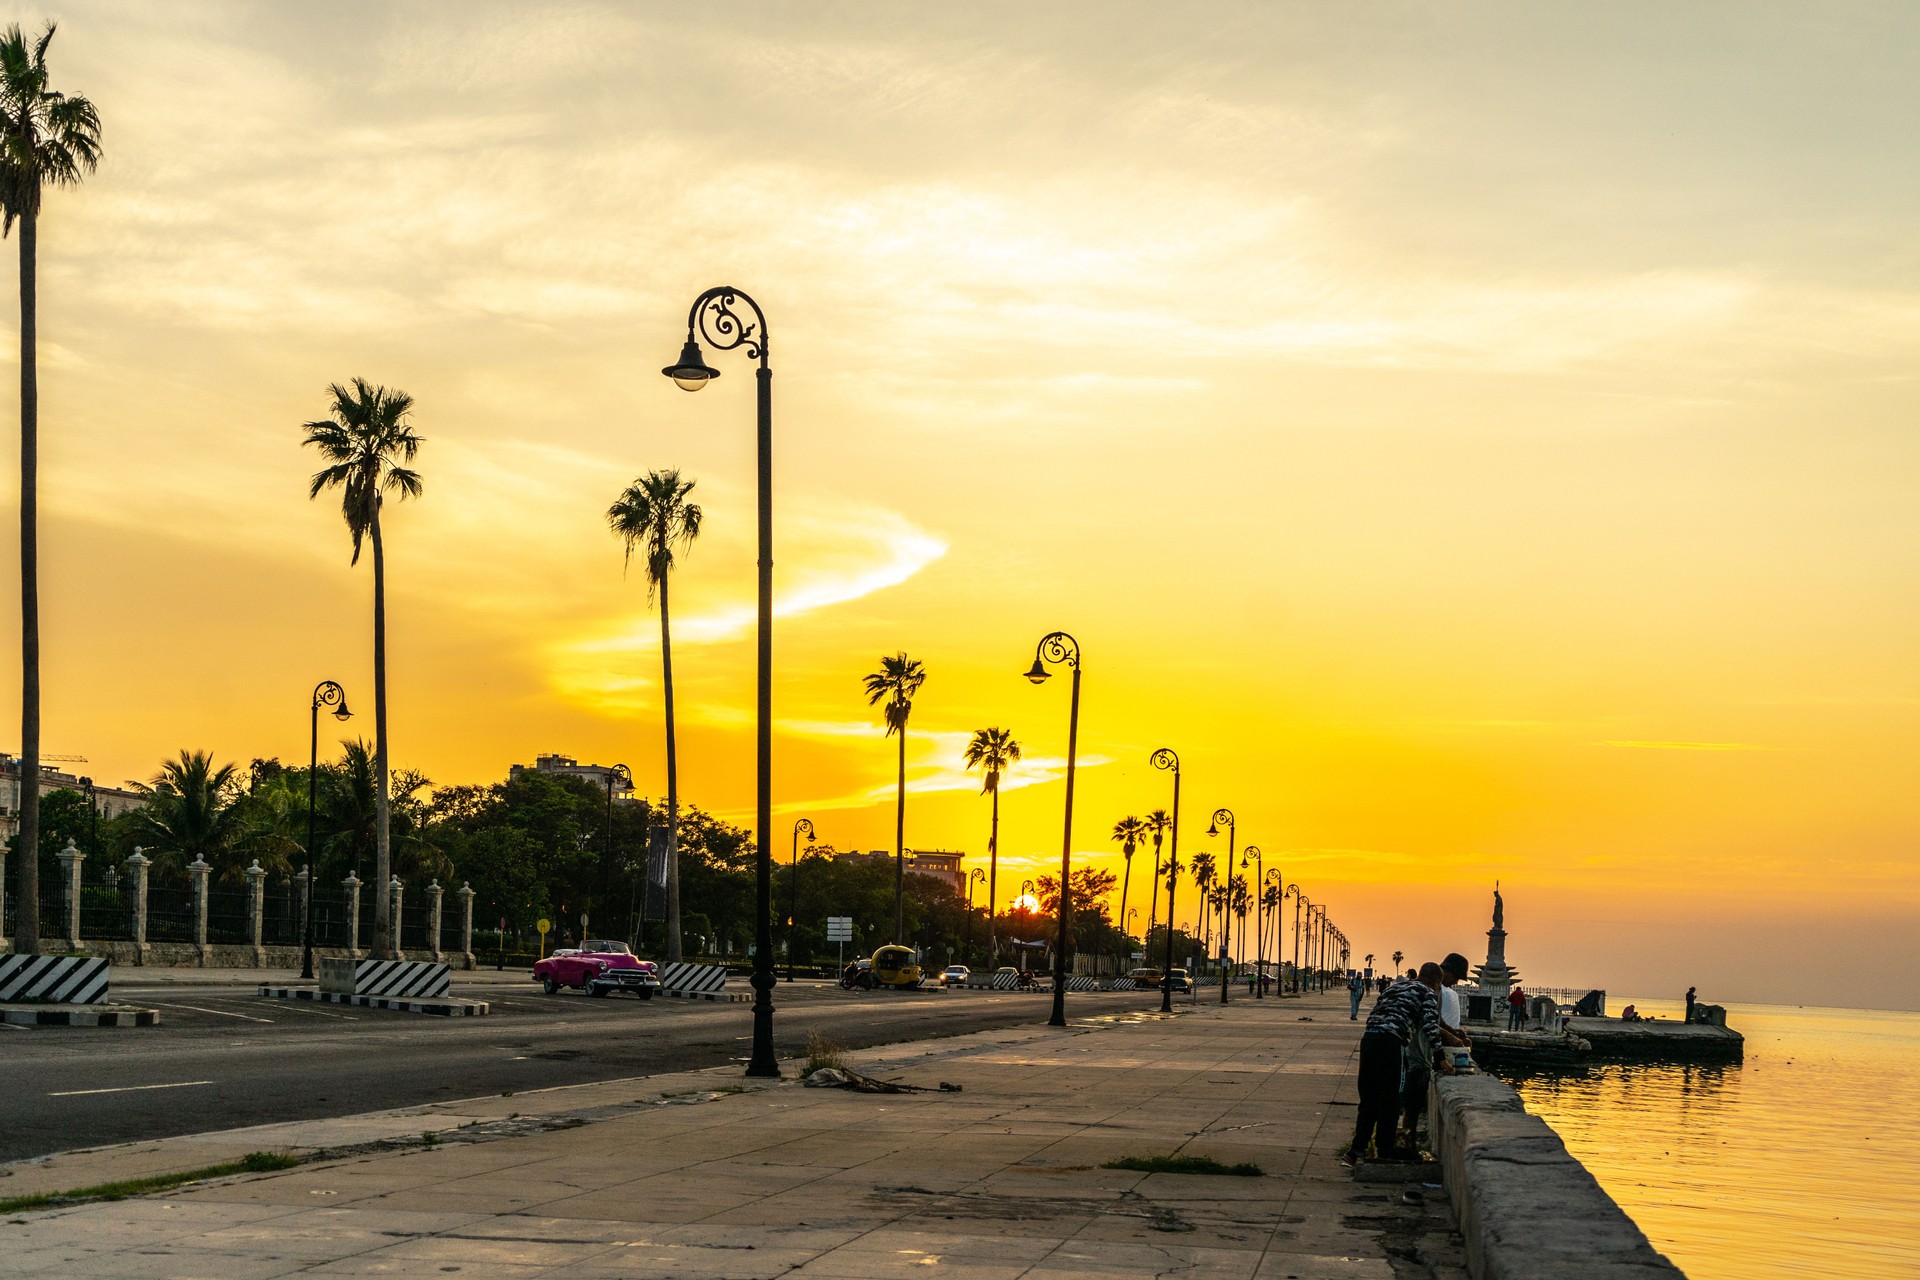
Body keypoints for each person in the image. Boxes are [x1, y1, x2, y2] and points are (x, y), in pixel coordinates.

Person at [1348, 965, 1452, 1166]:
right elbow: (1430, 1026)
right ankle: (1384, 1150)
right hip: (1392, 1043)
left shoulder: (1394, 988)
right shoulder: (1428, 993)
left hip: (1369, 1039)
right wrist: (1440, 1058)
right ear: (1436, 982)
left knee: (1369, 1098)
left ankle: (1356, 1150)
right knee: (1392, 1099)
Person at [1437, 954, 1474, 1053]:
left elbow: (1438, 1020)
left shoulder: (1442, 991)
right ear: (1446, 972)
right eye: (1456, 977)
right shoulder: (1439, 992)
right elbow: (1429, 1024)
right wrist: (1451, 1037)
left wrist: (1453, 1032)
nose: (1456, 982)